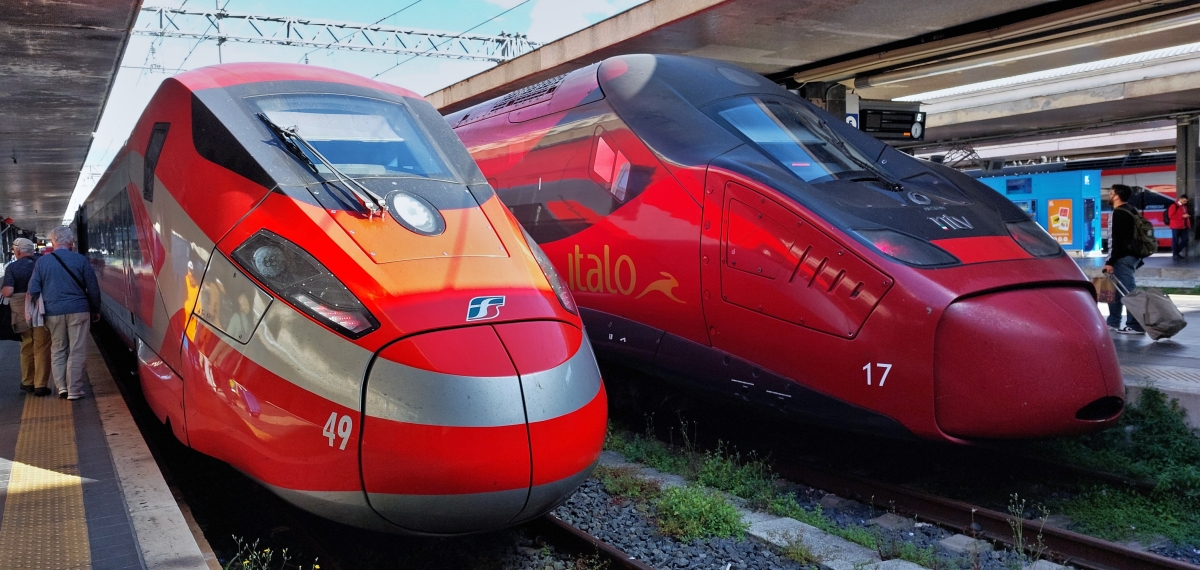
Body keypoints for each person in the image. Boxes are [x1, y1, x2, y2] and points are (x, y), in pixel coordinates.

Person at [28, 226, 99, 400]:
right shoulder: (80, 260)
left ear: (53, 242)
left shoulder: (42, 262)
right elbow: (93, 288)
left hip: (53, 312)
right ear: (71, 241)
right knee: (77, 350)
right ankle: (74, 390)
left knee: (58, 349)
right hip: (79, 310)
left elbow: (33, 289)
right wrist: (95, 309)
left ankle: (62, 388)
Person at [1, 238, 51, 395]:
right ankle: (41, 384)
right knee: (42, 347)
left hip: (22, 312)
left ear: (18, 251)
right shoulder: (43, 263)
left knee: (26, 345)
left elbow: (8, 292)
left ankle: (28, 382)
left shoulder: (13, 268)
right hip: (42, 310)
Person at [1103, 184, 1146, 335]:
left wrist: (1110, 262)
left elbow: (1114, 240)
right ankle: (1113, 322)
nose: (1109, 195)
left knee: (1128, 292)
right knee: (1113, 290)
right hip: (1133, 256)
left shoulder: (1117, 213)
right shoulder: (1132, 210)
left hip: (1122, 258)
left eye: (1111, 192)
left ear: (1116, 196)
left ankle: (1135, 325)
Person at [1168, 195, 1192, 260]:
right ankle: (1175, 254)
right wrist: (1182, 216)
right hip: (1176, 226)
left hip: (1183, 226)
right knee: (1175, 240)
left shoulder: (1184, 207)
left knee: (1185, 240)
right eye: (1184, 200)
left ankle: (1176, 252)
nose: (1185, 202)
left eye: (1186, 201)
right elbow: (1171, 216)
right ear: (1180, 199)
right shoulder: (1173, 206)